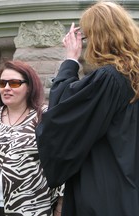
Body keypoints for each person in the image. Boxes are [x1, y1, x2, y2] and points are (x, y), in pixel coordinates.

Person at [35, 2, 139, 216]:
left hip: (107, 193)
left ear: (99, 38)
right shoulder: (132, 77)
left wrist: (70, 60)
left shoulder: (109, 79)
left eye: (89, 36)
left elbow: (63, 114)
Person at [0, 60, 63, 216]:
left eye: (14, 83)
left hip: (32, 208)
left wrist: (60, 205)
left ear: (29, 87)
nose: (6, 88)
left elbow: (60, 164)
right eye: (2, 83)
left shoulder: (45, 118)